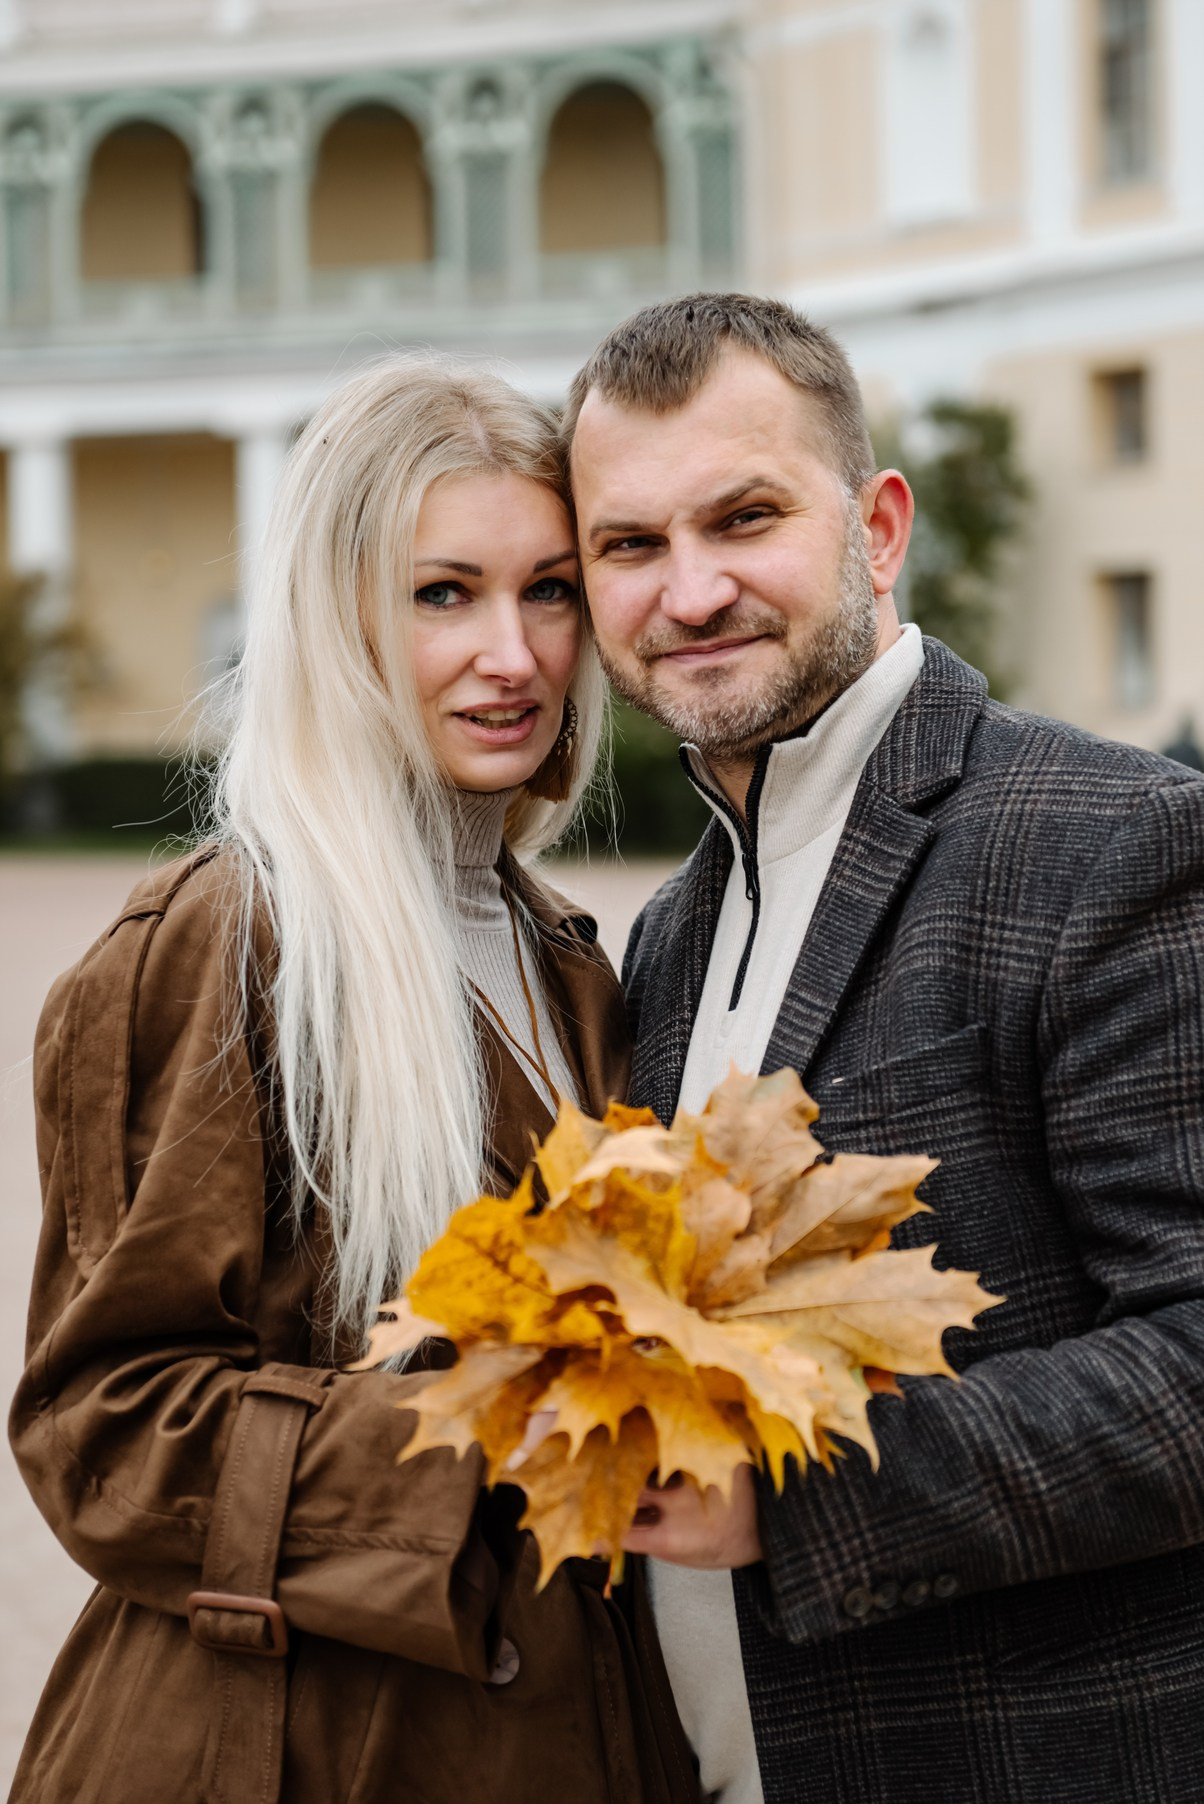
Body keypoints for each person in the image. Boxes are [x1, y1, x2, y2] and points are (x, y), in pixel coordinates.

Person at [9, 356, 697, 1804]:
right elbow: (104, 1428)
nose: (508, 654)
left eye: (549, 589)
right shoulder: (225, 942)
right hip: (291, 1744)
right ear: (342, 621)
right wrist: (496, 1430)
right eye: (443, 593)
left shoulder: (568, 959)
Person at [567, 293, 1204, 1804]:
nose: (693, 588)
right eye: (631, 546)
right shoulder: (665, 936)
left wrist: (793, 1499)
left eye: (745, 516)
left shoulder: (1108, 841)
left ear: (876, 528)